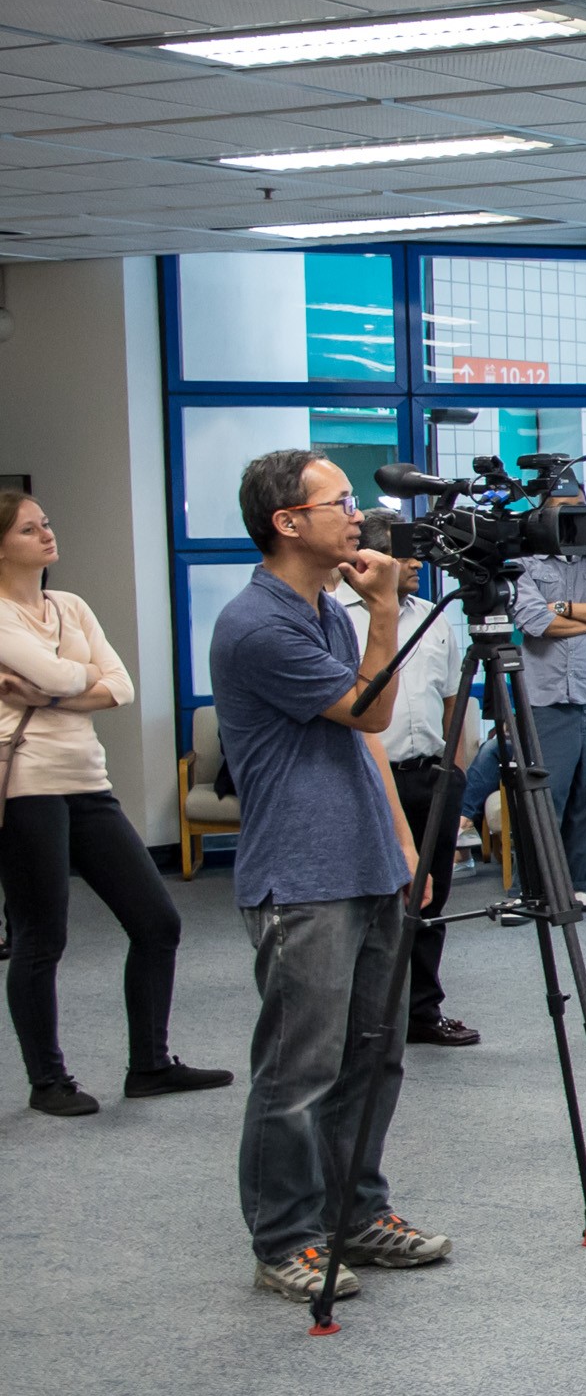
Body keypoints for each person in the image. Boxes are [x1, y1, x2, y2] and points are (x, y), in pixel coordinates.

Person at [212, 450, 447, 1303]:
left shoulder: (324, 613)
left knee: (373, 1059)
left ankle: (356, 1212)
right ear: (287, 522)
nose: (357, 515)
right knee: (298, 1070)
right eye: (339, 501)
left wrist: (403, 843)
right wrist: (384, 609)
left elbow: (361, 740)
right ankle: (284, 1237)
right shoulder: (257, 624)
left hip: (366, 859)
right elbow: (372, 707)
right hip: (302, 876)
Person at [1, 489, 216, 1116]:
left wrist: (47, 693)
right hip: (26, 787)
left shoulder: (69, 605)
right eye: (28, 529)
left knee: (157, 922)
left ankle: (150, 1066)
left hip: (87, 780)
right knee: (42, 936)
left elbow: (120, 685)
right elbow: (73, 676)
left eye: (46, 523)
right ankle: (48, 1081)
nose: (46, 534)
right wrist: (73, 681)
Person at [341, 563, 479, 1051]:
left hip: (432, 776)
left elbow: (452, 699)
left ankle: (423, 1011)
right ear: (366, 560)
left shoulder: (434, 617)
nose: (417, 562)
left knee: (430, 900)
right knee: (372, 904)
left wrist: (455, 771)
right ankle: (367, 1018)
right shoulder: (336, 615)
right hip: (368, 779)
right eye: (401, 553)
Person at [502, 476, 586, 912]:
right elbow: (535, 623)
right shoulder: (522, 565)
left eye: (578, 505)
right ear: (541, 515)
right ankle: (534, 888)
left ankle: (583, 882)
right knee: (544, 796)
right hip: (546, 698)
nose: (571, 515)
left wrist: (563, 608)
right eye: (560, 507)